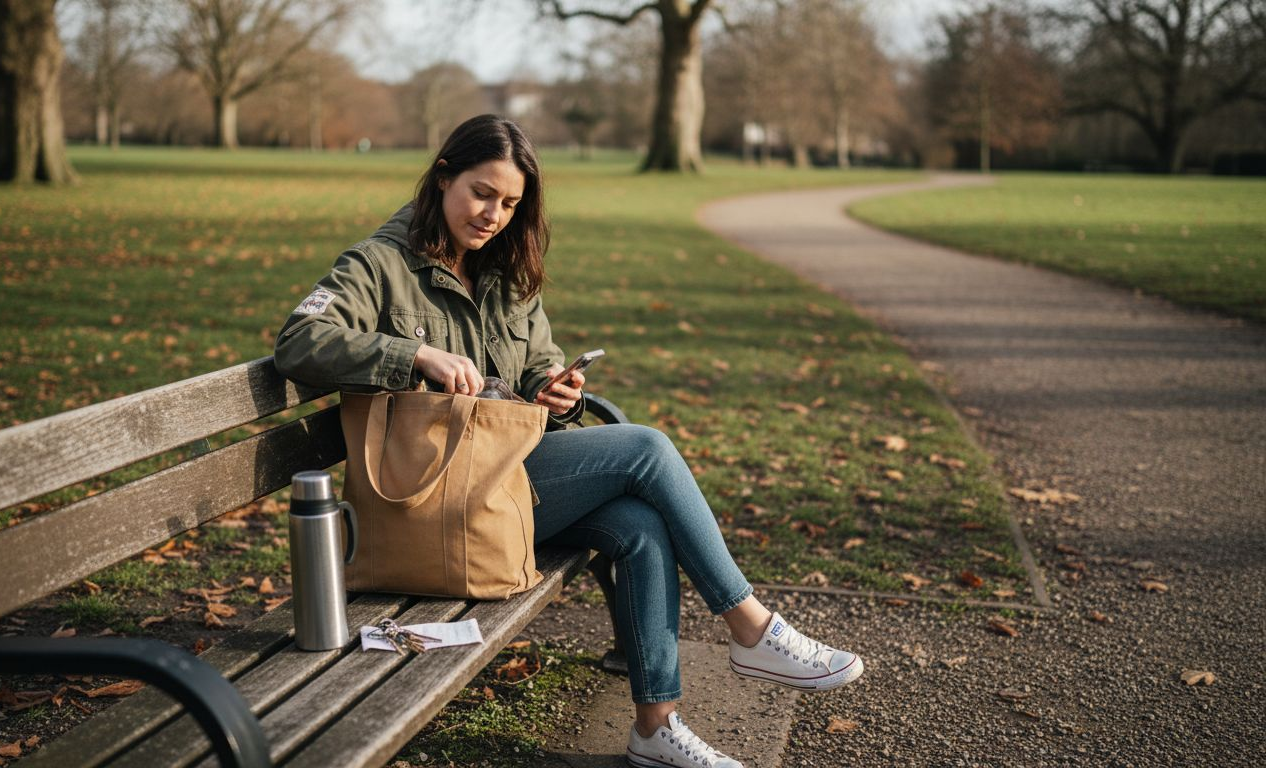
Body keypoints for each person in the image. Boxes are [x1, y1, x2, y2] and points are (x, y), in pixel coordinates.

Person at [273, 114, 863, 768]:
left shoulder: (503, 270)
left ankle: (655, 729)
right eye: (480, 192)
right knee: (646, 449)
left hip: (499, 488)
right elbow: (298, 342)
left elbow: (535, 366)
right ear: (443, 176)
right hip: (432, 500)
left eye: (509, 203)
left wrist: (560, 392)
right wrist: (414, 354)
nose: (492, 214)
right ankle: (750, 626)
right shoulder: (380, 264)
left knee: (639, 523)